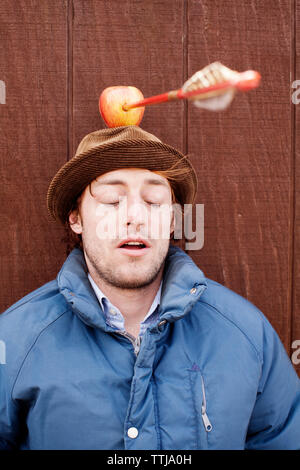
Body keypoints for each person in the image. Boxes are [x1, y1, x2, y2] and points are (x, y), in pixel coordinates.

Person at [0, 125, 299, 450]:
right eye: (113, 200)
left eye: (154, 200)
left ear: (172, 220)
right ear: (76, 218)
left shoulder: (247, 336)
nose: (134, 216)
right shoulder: (15, 342)